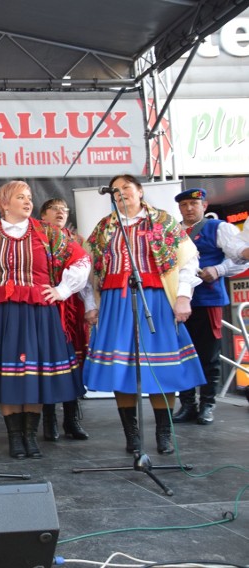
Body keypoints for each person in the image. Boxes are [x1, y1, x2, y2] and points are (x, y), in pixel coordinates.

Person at [83, 174, 206, 455]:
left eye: (126, 187)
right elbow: (89, 270)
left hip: (155, 300)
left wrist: (184, 296)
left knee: (161, 369)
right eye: (115, 190)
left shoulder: (162, 221)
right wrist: (91, 303)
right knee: (122, 369)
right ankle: (132, 434)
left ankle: (163, 432)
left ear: (140, 191)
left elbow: (187, 260)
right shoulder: (105, 227)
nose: (121, 193)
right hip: (116, 302)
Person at [0, 181, 90, 460]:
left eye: (29, 197)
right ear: (3, 203)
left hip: (38, 313)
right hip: (1, 314)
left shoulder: (47, 233)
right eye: (20, 197)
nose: (27, 201)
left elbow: (81, 261)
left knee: (34, 376)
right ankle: (15, 437)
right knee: (9, 377)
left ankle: (30, 436)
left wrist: (61, 290)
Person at [173, 188, 247, 425]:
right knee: (181, 355)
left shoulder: (219, 228)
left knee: (208, 356)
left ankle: (207, 405)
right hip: (175, 301)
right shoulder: (171, 232)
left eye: (194, 204)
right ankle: (187, 405)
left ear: (204, 206)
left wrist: (218, 270)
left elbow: (239, 257)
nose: (189, 208)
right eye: (184, 204)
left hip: (208, 300)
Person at [38, 198, 89, 442]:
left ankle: (72, 418)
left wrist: (90, 305)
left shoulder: (76, 241)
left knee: (73, 363)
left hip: (71, 306)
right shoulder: (36, 237)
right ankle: (49, 420)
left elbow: (88, 279)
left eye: (64, 209)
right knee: (46, 361)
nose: (60, 212)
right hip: (44, 304)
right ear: (43, 215)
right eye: (55, 209)